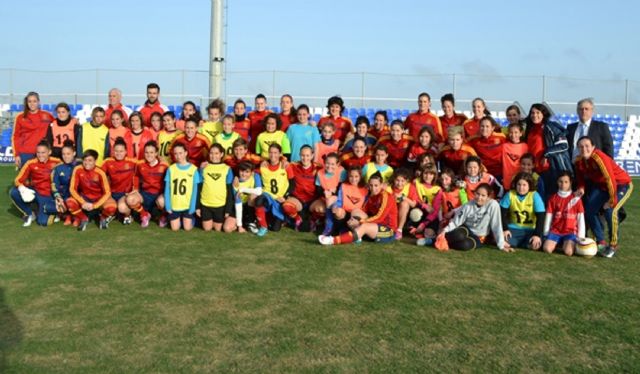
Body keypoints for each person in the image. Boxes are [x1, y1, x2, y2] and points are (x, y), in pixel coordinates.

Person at [574, 136, 633, 258]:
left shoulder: (599, 157)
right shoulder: (579, 160)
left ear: (593, 147)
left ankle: (613, 245)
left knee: (610, 211)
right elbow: (580, 177)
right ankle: (600, 242)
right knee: (589, 211)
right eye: (581, 146)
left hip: (621, 184)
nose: (584, 149)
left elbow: (610, 179)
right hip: (602, 187)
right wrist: (581, 187)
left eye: (587, 146)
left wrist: (611, 200)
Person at [318, 172, 398, 245]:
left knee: (364, 226)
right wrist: (354, 219)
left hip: (388, 229)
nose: (373, 188)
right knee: (355, 211)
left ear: (381, 185)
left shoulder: (386, 196)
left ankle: (332, 240)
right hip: (375, 225)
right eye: (371, 185)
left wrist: (360, 222)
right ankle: (358, 238)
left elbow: (380, 217)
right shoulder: (371, 195)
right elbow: (363, 210)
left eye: (376, 185)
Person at [437, 183, 510, 252]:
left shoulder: (493, 205)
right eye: (477, 194)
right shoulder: (468, 205)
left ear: (488, 197)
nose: (479, 197)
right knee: (458, 235)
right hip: (466, 229)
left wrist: (501, 244)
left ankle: (446, 243)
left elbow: (496, 225)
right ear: (474, 193)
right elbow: (456, 222)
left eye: (483, 195)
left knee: (465, 245)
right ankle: (437, 240)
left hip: (479, 236)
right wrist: (444, 231)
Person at [523, 103, 572, 198]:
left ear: (544, 114)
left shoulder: (550, 127)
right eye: (532, 113)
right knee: (538, 197)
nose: (534, 115)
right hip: (535, 170)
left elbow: (563, 145)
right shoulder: (530, 129)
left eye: (538, 112)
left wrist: (546, 154)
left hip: (549, 169)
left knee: (550, 197)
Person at [10, 141, 60, 227]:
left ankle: (52, 211)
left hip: (48, 195)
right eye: (38, 152)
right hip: (35, 192)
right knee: (14, 192)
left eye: (43, 152)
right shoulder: (30, 163)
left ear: (49, 152)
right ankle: (30, 214)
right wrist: (22, 189)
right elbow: (18, 180)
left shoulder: (57, 162)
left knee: (43, 223)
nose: (40, 155)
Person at [66, 149, 117, 231]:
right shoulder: (77, 169)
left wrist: (95, 205)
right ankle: (83, 218)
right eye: (85, 160)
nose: (87, 163)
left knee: (111, 208)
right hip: (85, 198)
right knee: (70, 203)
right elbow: (72, 189)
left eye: (90, 160)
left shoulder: (100, 172)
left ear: (95, 161)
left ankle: (103, 218)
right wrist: (83, 202)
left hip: (98, 198)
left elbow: (107, 193)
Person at [126, 141, 169, 228]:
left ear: (156, 153)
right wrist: (136, 190)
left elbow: (168, 181)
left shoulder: (164, 165)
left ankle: (163, 216)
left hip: (158, 195)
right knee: (130, 199)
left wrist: (165, 193)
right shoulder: (140, 164)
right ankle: (144, 215)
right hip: (145, 194)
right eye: (146, 152)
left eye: (152, 152)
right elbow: (136, 176)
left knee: (163, 202)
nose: (149, 155)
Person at [542, 171, 585, 256]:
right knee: (547, 249)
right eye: (560, 182)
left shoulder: (576, 199)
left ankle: (566, 243)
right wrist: (546, 233)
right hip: (555, 231)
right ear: (557, 182)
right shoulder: (553, 198)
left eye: (566, 182)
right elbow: (549, 216)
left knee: (568, 252)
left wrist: (581, 237)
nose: (563, 184)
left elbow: (581, 218)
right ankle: (559, 242)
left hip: (570, 232)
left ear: (570, 183)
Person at [500, 172, 545, 250]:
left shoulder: (535, 196)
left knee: (535, 246)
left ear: (529, 186)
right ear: (515, 185)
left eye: (524, 185)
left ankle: (522, 243)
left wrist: (537, 234)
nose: (521, 188)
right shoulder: (510, 194)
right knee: (504, 242)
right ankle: (520, 243)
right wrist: (505, 229)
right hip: (514, 228)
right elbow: (501, 214)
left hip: (531, 229)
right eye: (519, 184)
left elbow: (541, 217)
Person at [255, 144, 293, 235]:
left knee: (275, 228)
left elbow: (292, 184)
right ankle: (263, 227)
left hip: (279, 199)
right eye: (271, 152)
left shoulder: (285, 166)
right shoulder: (263, 166)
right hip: (267, 196)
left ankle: (280, 218)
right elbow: (250, 171)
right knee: (259, 200)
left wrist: (285, 196)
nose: (273, 155)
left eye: (275, 153)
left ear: (280, 154)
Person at [164, 143, 202, 231]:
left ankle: (191, 219)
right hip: (175, 205)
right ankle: (178, 219)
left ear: (186, 153)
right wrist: (168, 206)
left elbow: (195, 190)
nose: (178, 156)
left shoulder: (193, 169)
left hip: (187, 205)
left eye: (180, 153)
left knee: (187, 228)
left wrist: (192, 207)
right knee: (175, 228)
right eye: (176, 154)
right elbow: (167, 189)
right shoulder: (171, 169)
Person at [198, 144, 236, 232]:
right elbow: (199, 187)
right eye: (211, 153)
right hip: (206, 204)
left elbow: (229, 190)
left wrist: (228, 209)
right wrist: (198, 207)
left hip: (220, 204)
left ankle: (234, 224)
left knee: (218, 229)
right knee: (207, 229)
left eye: (216, 153)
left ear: (221, 154)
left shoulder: (227, 169)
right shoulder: (204, 167)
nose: (213, 156)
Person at [12, 92, 54, 168]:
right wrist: (17, 155)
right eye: (29, 101)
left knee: (42, 178)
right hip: (25, 154)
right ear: (27, 103)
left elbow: (59, 123)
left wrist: (73, 120)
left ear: (38, 102)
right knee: (26, 179)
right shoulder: (20, 117)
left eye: (34, 101)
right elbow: (16, 137)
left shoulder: (47, 115)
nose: (32, 104)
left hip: (42, 153)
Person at [282, 145, 319, 230]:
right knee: (287, 206)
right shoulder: (294, 165)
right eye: (302, 155)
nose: (305, 158)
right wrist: (283, 160)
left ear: (312, 156)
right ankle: (297, 219)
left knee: (322, 208)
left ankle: (313, 220)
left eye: (307, 155)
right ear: (299, 155)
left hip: (312, 200)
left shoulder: (318, 167)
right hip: (297, 199)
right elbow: (282, 161)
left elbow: (330, 171)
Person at [101, 138, 138, 224]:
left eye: (121, 151)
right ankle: (111, 213)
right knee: (109, 208)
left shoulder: (132, 162)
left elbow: (145, 165)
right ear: (113, 151)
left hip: (125, 194)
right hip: (111, 193)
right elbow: (98, 174)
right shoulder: (108, 162)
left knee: (122, 208)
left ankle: (128, 215)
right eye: (116, 151)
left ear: (126, 151)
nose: (118, 153)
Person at [310, 152, 345, 234]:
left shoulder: (342, 171)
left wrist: (334, 192)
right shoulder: (320, 173)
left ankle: (329, 225)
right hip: (324, 198)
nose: (329, 166)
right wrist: (324, 192)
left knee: (331, 202)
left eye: (333, 164)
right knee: (318, 207)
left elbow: (344, 189)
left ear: (338, 164)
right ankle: (318, 221)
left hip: (339, 199)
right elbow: (318, 191)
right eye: (327, 163)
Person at [328, 165, 369, 235]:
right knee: (338, 212)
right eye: (351, 176)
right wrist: (335, 206)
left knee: (356, 214)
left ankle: (356, 232)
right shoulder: (343, 186)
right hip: (344, 212)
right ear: (348, 176)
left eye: (356, 176)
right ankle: (340, 229)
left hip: (355, 214)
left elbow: (366, 205)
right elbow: (339, 201)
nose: (353, 179)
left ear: (360, 177)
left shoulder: (365, 189)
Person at [408, 164, 442, 242]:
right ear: (422, 173)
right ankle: (415, 230)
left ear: (434, 175)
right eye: (425, 173)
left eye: (431, 174)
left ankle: (426, 236)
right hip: (419, 211)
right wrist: (425, 206)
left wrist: (423, 225)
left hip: (431, 216)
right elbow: (414, 199)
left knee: (428, 234)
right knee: (415, 214)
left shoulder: (438, 189)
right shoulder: (416, 182)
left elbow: (435, 211)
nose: (427, 176)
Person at [51, 140, 80, 226]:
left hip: (78, 195)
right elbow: (54, 184)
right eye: (63, 154)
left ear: (74, 153)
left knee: (71, 201)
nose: (65, 156)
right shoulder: (58, 168)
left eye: (68, 154)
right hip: (64, 195)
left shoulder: (80, 165)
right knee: (48, 206)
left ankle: (77, 217)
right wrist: (57, 196)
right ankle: (66, 215)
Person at [233, 161, 264, 234]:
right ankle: (244, 223)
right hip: (239, 207)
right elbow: (238, 204)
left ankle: (252, 222)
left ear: (252, 172)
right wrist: (239, 226)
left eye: (247, 172)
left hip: (251, 206)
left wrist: (242, 189)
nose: (243, 174)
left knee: (253, 196)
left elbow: (259, 191)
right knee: (228, 228)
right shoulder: (235, 182)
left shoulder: (255, 176)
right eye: (241, 171)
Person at [501, 122, 528, 189]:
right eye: (511, 132)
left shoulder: (525, 146)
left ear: (521, 133)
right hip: (507, 180)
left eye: (516, 132)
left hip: (520, 180)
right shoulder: (504, 146)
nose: (513, 135)